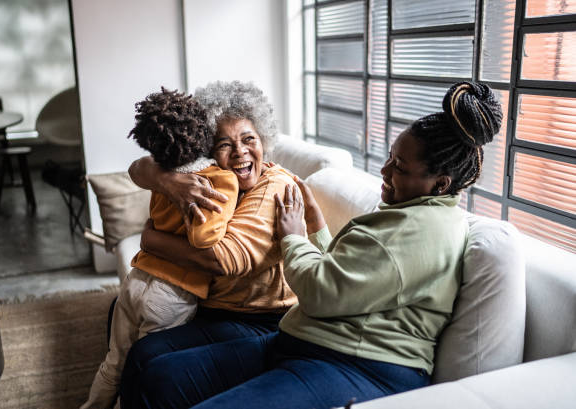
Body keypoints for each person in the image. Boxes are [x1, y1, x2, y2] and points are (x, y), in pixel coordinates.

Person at [121, 81, 503, 409]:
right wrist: (318, 229)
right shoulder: (410, 214)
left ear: (440, 184)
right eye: (390, 158)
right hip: (307, 340)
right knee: (156, 375)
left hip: (357, 363)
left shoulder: (419, 231)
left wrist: (293, 237)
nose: (384, 172)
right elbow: (352, 273)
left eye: (399, 167)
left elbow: (319, 292)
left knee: (162, 376)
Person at [119, 81, 300, 408]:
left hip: (259, 319)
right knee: (123, 323)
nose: (241, 152)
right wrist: (166, 179)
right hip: (212, 306)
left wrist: (150, 239)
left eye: (249, 139)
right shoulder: (209, 177)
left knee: (148, 358)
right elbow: (138, 169)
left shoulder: (274, 186)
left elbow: (223, 260)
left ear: (264, 141)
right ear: (207, 150)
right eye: (224, 144)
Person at [81, 88, 239, 409]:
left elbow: (140, 173)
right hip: (171, 294)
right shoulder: (219, 179)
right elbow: (204, 238)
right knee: (140, 373)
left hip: (137, 279)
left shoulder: (162, 171)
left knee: (114, 361)